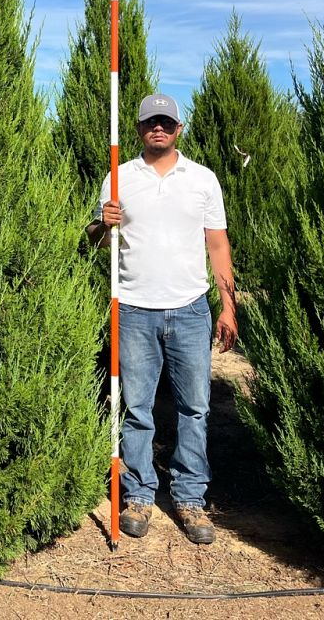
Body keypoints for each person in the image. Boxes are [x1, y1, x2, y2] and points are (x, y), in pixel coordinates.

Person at [87, 93, 237, 544]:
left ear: (179, 129)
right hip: (133, 308)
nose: (158, 128)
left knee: (195, 407)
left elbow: (218, 245)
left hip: (191, 308)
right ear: (137, 129)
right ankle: (138, 495)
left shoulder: (203, 180)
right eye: (150, 122)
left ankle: (190, 498)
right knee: (137, 409)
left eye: (166, 122)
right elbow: (92, 239)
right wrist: (102, 223)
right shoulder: (118, 178)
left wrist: (228, 305)